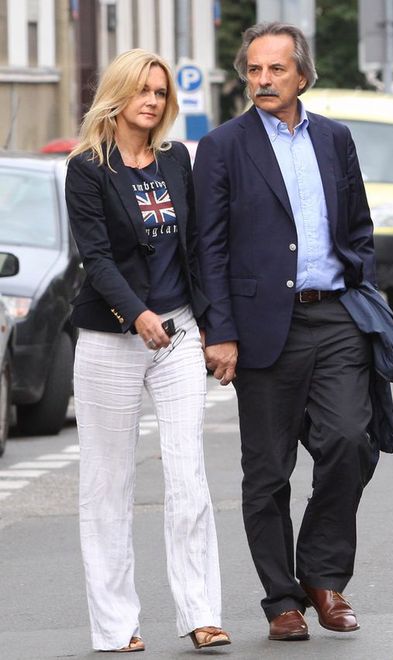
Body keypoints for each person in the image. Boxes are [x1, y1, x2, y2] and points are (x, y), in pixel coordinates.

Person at [193, 22, 385, 641]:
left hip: (335, 315)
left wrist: (364, 291)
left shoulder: (335, 138)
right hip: (260, 326)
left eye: (276, 69)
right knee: (268, 471)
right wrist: (221, 330)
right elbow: (208, 248)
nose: (263, 80)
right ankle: (282, 600)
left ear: (302, 75)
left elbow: (358, 228)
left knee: (350, 440)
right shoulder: (222, 146)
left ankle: (324, 578)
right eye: (254, 70)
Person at [65, 49, 231, 653]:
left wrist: (212, 323)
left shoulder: (175, 159)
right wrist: (135, 313)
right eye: (143, 90)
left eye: (160, 92)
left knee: (188, 472)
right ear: (118, 94)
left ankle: (201, 613)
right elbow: (96, 257)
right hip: (111, 338)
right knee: (106, 482)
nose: (153, 101)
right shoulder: (88, 168)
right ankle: (116, 626)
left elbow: (196, 248)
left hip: (177, 332)